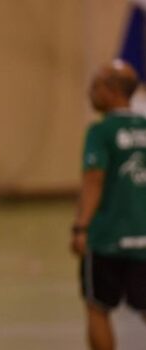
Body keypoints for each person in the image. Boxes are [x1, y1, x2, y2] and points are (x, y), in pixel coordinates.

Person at [71, 60, 146, 350]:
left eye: (96, 86)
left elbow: (94, 181)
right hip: (143, 238)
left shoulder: (101, 132)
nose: (90, 92)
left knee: (97, 308)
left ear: (113, 91)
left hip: (107, 239)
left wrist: (81, 227)